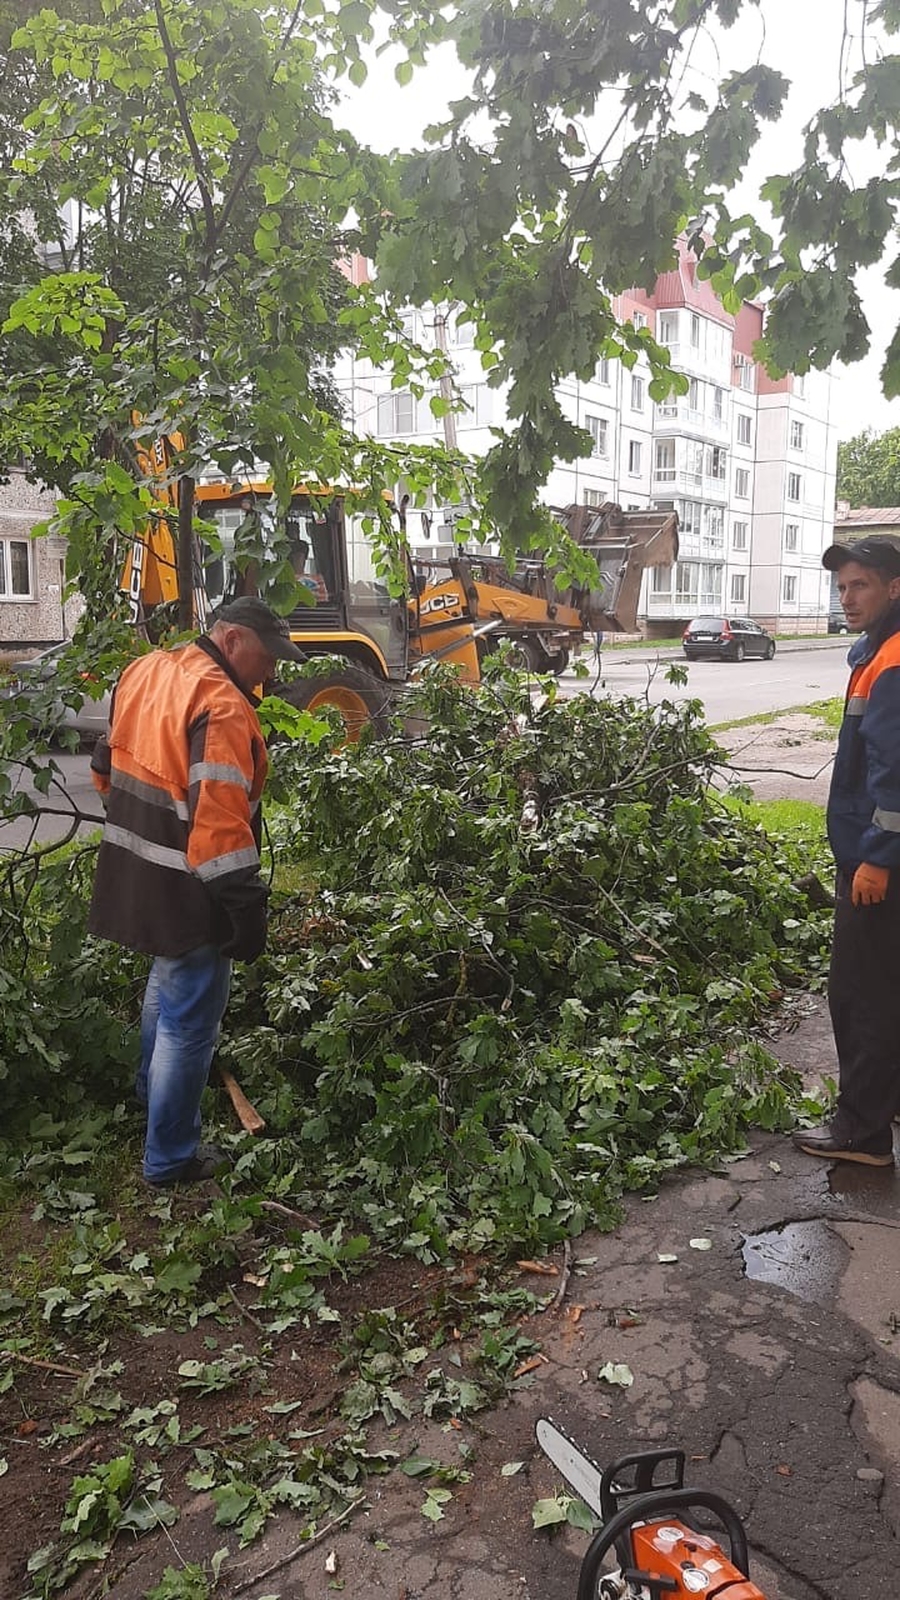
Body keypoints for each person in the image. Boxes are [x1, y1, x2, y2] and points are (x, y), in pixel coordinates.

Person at [88, 598, 305, 1186]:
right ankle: (171, 1156)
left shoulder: (147, 670)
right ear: (232, 640)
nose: (273, 671)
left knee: (165, 985)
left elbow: (104, 766)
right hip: (192, 882)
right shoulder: (225, 707)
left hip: (138, 869)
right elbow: (218, 827)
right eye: (267, 656)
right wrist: (245, 906)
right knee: (190, 1019)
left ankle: (149, 1093)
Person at [792, 536, 900, 1167]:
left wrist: (877, 858)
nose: (847, 596)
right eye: (841, 586)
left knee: (861, 992)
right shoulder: (880, 652)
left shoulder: (890, 662)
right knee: (890, 981)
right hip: (880, 850)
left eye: (860, 584)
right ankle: (887, 1098)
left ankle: (861, 1131)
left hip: (878, 856)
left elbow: (894, 775)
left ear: (893, 588)